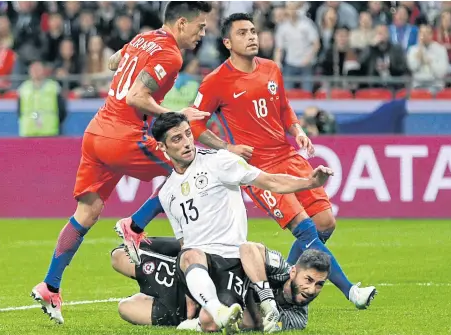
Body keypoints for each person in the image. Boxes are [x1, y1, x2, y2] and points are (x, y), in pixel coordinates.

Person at [30, 1, 213, 324]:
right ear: (182, 23)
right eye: (200, 27)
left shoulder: (144, 38)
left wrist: (134, 64)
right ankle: (135, 225)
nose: (203, 33)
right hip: (122, 135)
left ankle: (51, 285)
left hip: (97, 131)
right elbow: (136, 98)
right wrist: (177, 114)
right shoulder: (171, 55)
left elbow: (115, 61)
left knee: (87, 212)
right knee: (186, 167)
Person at [189, 13, 376, 309]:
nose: (251, 37)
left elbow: (284, 108)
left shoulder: (271, 68)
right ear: (227, 42)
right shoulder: (215, 82)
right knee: (306, 230)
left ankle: (281, 287)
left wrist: (298, 131)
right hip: (258, 170)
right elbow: (196, 126)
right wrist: (228, 146)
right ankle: (351, 290)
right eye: (242, 33)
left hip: (288, 155)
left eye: (253, 31)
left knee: (326, 223)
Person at [145, 111, 334, 333]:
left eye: (188, 134)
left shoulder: (219, 161)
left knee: (212, 322)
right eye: (177, 139)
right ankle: (207, 310)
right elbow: (185, 242)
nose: (187, 143)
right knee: (125, 281)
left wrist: (309, 182)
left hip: (231, 262)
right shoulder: (167, 192)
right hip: (201, 266)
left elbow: (270, 181)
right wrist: (190, 290)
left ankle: (236, 310)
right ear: (162, 147)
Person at [110, 238, 330, 332]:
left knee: (126, 308)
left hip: (192, 310)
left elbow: (250, 322)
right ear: (294, 272)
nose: (312, 290)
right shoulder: (281, 268)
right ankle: (186, 245)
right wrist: (267, 299)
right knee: (119, 257)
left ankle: (195, 320)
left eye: (319, 285)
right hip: (208, 274)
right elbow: (247, 248)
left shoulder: (298, 318)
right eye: (308, 280)